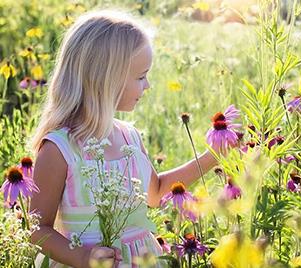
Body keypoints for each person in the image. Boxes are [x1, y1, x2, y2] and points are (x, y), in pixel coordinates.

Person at [29, 9, 217, 268]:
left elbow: (156, 193)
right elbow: (37, 229)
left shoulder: (130, 137)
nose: (148, 86)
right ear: (106, 79)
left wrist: (213, 156)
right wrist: (82, 257)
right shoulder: (59, 149)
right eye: (141, 77)